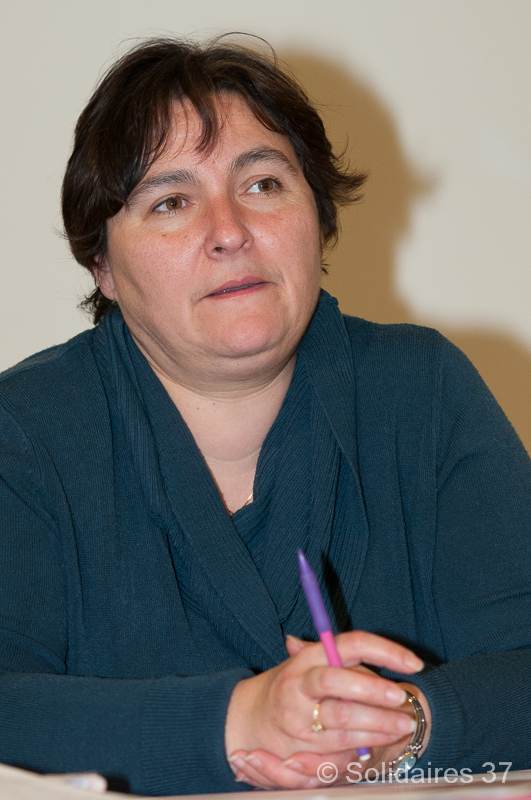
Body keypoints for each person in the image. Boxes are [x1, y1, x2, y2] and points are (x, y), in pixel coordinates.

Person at [1, 35, 531, 797]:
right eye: (171, 201)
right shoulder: (24, 432)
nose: (229, 231)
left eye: (262, 184)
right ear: (104, 266)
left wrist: (405, 725)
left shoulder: (423, 390)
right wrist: (240, 720)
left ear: (315, 215)